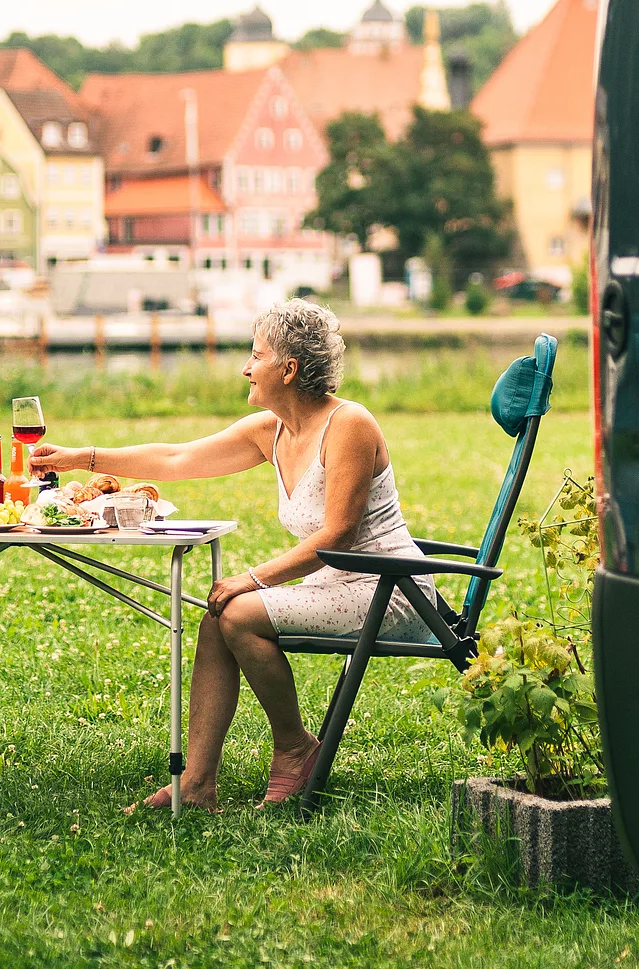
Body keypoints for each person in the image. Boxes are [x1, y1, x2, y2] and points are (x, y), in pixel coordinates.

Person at [30, 298, 435, 811]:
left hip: (390, 589)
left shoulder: (350, 424)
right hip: (340, 585)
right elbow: (177, 457)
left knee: (238, 610)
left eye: (256, 354)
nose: (246, 366)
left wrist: (253, 578)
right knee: (215, 617)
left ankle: (294, 747)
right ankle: (197, 785)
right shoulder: (274, 430)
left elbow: (336, 535)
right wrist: (81, 456)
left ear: (288, 370)